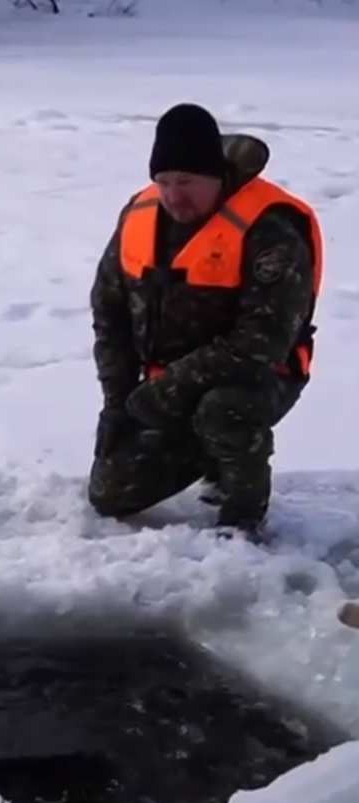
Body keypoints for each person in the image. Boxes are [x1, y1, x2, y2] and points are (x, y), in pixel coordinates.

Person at [87, 102, 323, 537]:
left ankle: (242, 517)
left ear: (215, 176)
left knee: (224, 409)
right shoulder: (139, 216)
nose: (174, 196)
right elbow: (110, 314)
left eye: (187, 182)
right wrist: (118, 401)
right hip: (167, 386)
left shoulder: (270, 230)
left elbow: (262, 342)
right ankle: (202, 447)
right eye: (165, 182)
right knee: (110, 493)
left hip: (261, 376)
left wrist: (169, 388)